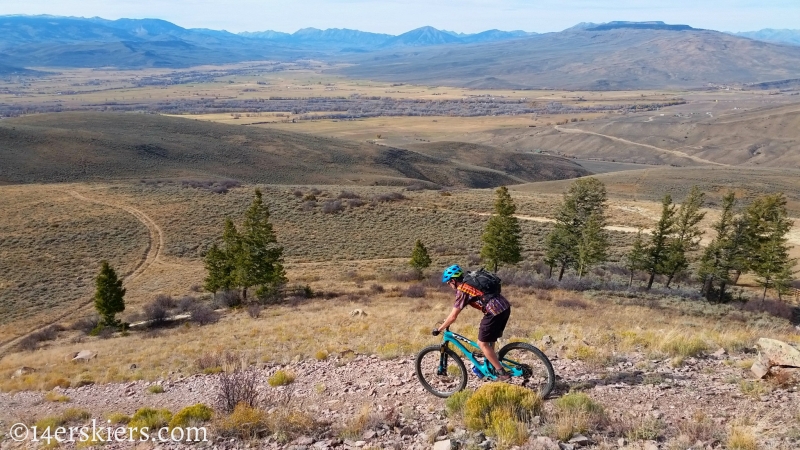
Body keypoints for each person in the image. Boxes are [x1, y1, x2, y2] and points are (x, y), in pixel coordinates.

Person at [434, 264, 511, 381]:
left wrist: (439, 329)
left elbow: (453, 316)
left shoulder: (463, 290)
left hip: (494, 312)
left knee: (482, 344)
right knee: (490, 341)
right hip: (504, 307)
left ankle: (502, 373)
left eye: (448, 282)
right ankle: (492, 366)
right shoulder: (470, 281)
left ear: (453, 281)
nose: (449, 285)